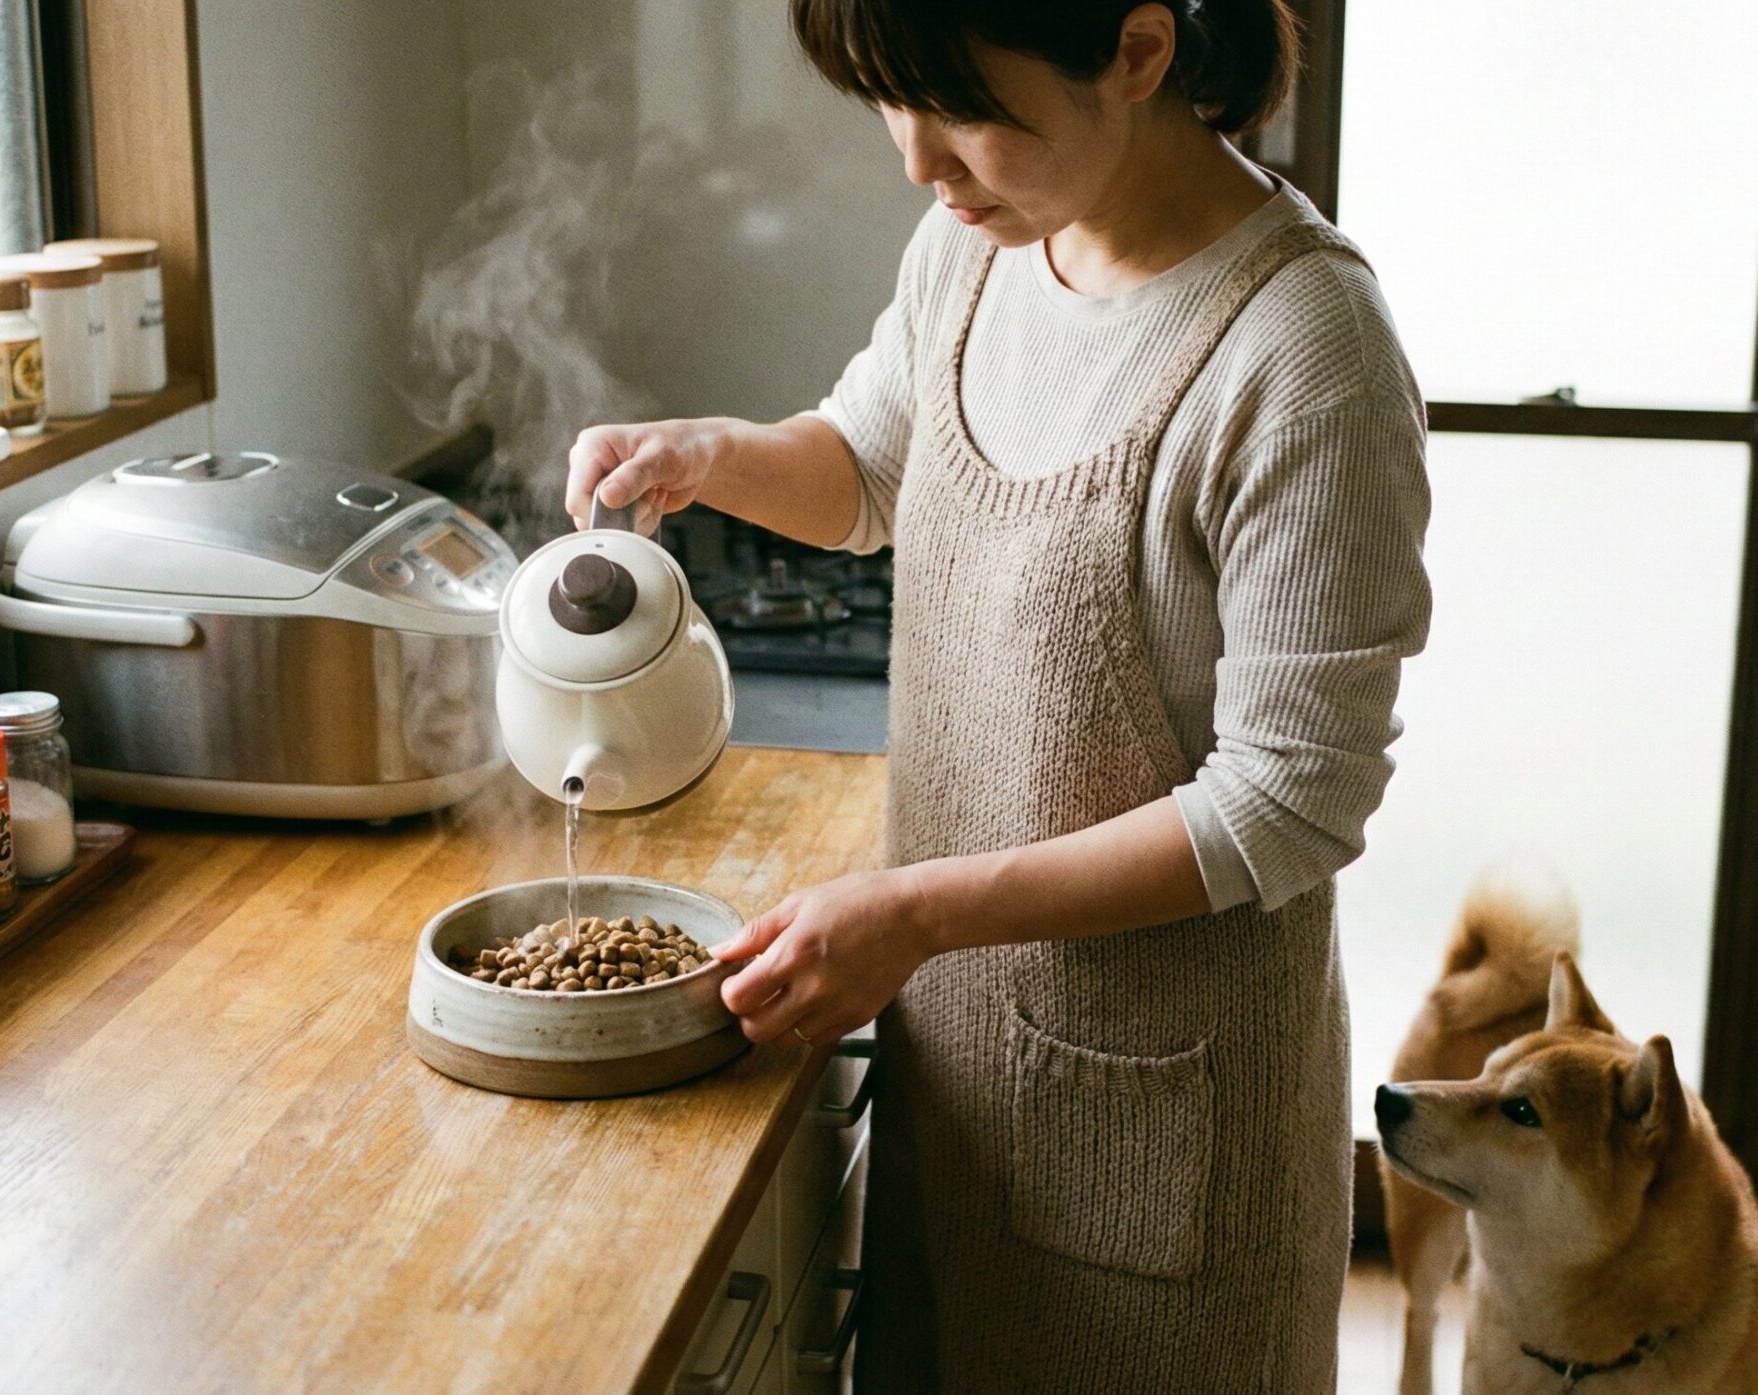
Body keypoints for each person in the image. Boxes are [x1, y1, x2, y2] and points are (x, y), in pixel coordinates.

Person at [565, 2, 1429, 1388]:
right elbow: (868, 468)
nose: (917, 162)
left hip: (1173, 1142)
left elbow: (1289, 806)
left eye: (959, 107)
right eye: (886, 103)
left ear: (1137, 52)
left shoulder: (1305, 350)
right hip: (964, 1074)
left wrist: (917, 912)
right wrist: (709, 453)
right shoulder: (976, 252)